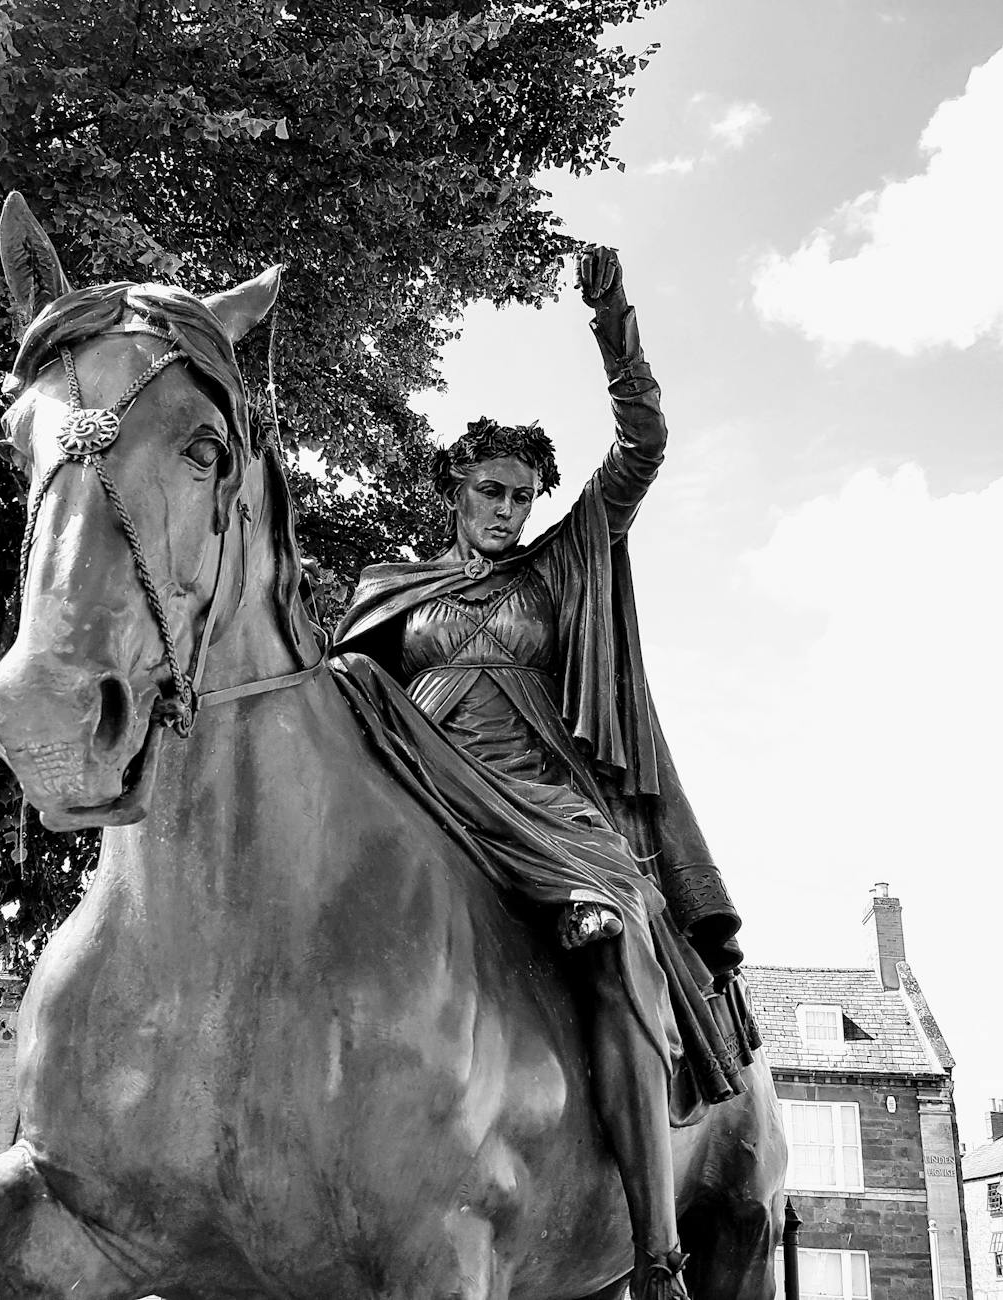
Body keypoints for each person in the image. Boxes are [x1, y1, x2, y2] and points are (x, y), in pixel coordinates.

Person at [331, 247, 752, 1300]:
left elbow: (642, 442)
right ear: (452, 490)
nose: (506, 509)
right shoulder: (391, 586)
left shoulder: (563, 561)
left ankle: (655, 1250)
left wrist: (613, 325)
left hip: (543, 800)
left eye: (522, 495)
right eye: (488, 490)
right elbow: (334, 700)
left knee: (614, 935)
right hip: (417, 790)